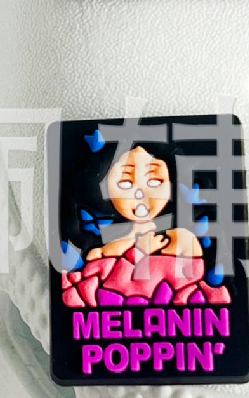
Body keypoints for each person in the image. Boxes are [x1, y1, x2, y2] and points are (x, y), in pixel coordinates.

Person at [58, 131, 227, 311]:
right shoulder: (117, 235)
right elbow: (96, 256)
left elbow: (191, 265)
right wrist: (138, 249)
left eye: (155, 181)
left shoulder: (178, 233)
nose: (140, 193)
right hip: (123, 289)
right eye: (125, 183)